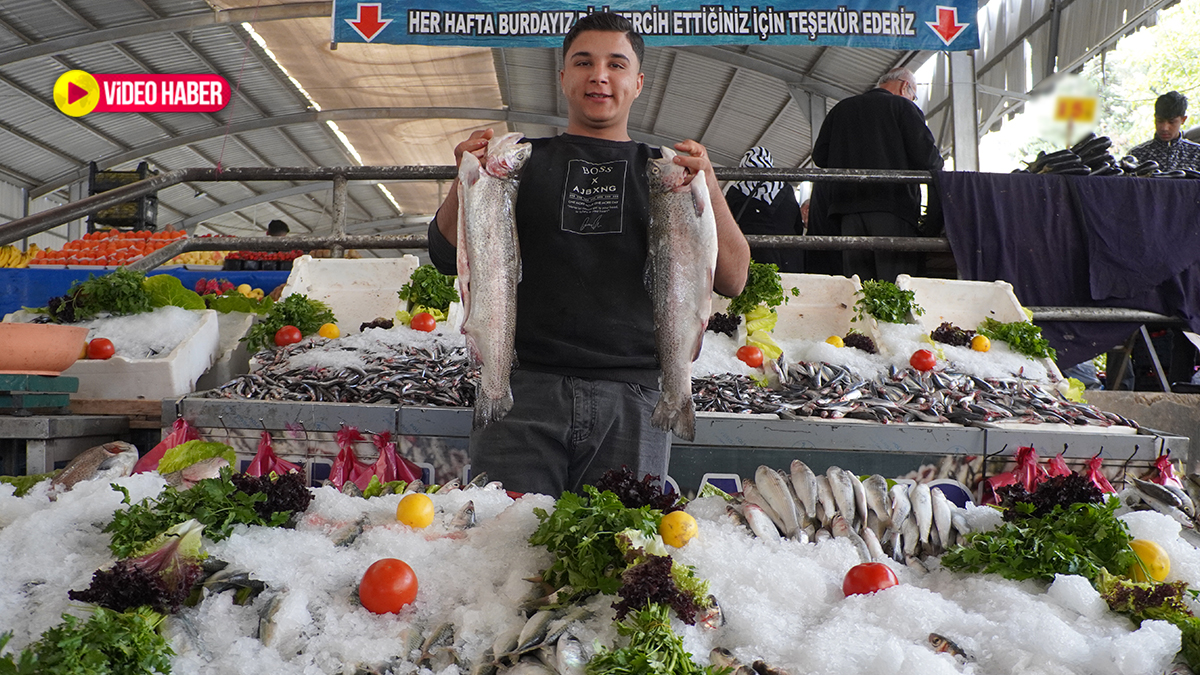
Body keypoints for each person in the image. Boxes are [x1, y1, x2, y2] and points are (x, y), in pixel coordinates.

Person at [426, 12, 750, 497]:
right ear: (563, 78)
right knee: (510, 554)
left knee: (614, 559)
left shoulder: (664, 173)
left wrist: (707, 185)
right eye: (583, 62)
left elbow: (733, 278)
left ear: (637, 82)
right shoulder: (518, 163)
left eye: (616, 64)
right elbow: (441, 251)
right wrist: (467, 180)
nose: (599, 75)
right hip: (523, 391)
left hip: (635, 398)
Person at [812, 67, 943, 281]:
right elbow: (928, 159)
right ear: (904, 86)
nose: (913, 99)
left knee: (859, 287)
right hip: (893, 208)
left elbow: (820, 157)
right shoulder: (902, 107)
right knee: (896, 285)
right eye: (914, 95)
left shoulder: (842, 109)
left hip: (848, 213)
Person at [724, 147, 804, 273]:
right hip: (788, 258)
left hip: (751, 259)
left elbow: (726, 227)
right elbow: (797, 226)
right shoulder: (786, 189)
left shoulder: (736, 191)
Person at [1126, 91, 1200, 171]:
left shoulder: (1196, 154)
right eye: (1160, 121)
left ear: (1183, 120)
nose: (1164, 128)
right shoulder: (1137, 155)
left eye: (1171, 122)